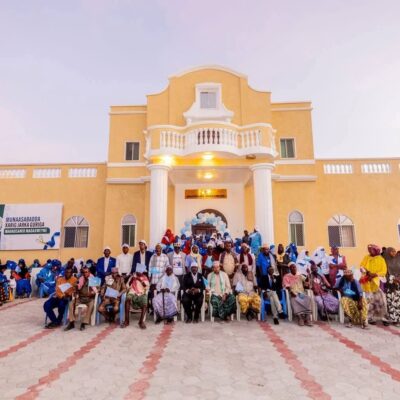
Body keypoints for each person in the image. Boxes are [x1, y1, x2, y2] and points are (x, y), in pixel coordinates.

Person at [360, 244, 389, 325]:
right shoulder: (366, 257)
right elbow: (361, 266)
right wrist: (366, 272)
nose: (369, 251)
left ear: (376, 250)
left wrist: (375, 274)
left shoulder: (381, 259)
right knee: (370, 300)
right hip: (368, 282)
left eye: (371, 250)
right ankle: (371, 318)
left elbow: (384, 271)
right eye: (368, 250)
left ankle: (384, 318)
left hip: (378, 282)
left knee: (381, 300)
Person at [65, 267, 98, 331]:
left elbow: (97, 289)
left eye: (86, 272)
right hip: (80, 298)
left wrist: (93, 292)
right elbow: (78, 288)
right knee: (71, 304)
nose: (85, 273)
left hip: (89, 298)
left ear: (89, 272)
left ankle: (84, 322)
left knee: (91, 305)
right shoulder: (81, 279)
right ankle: (71, 322)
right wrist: (76, 289)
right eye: (83, 272)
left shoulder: (93, 279)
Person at [283, 262, 313, 326]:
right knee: (294, 300)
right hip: (293, 293)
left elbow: (306, 281)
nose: (294, 268)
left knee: (308, 298)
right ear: (290, 269)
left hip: (301, 293)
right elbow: (287, 286)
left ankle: (307, 318)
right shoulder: (286, 276)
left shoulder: (299, 275)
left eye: (295, 267)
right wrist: (291, 292)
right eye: (292, 267)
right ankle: (300, 318)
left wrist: (308, 274)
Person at [383, 247, 400, 325]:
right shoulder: (384, 261)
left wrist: (398, 278)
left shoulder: (398, 259)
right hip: (389, 285)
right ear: (388, 252)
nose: (394, 253)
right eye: (392, 251)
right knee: (390, 302)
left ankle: (397, 319)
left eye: (394, 251)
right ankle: (391, 319)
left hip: (398, 284)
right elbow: (384, 273)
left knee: (398, 302)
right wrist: (393, 278)